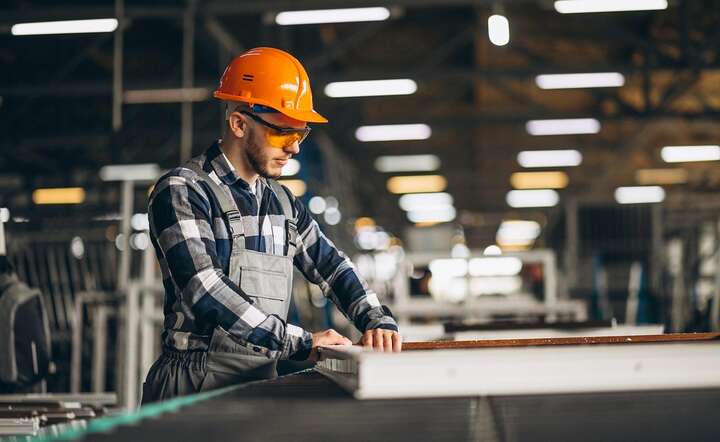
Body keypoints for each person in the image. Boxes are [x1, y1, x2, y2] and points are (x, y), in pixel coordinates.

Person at [141, 47, 401, 403]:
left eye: (300, 134)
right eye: (282, 133)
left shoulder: (283, 204)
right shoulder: (183, 190)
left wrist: (376, 320)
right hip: (192, 384)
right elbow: (204, 288)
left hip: (259, 380)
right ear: (239, 123)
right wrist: (300, 342)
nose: (293, 148)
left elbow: (332, 266)